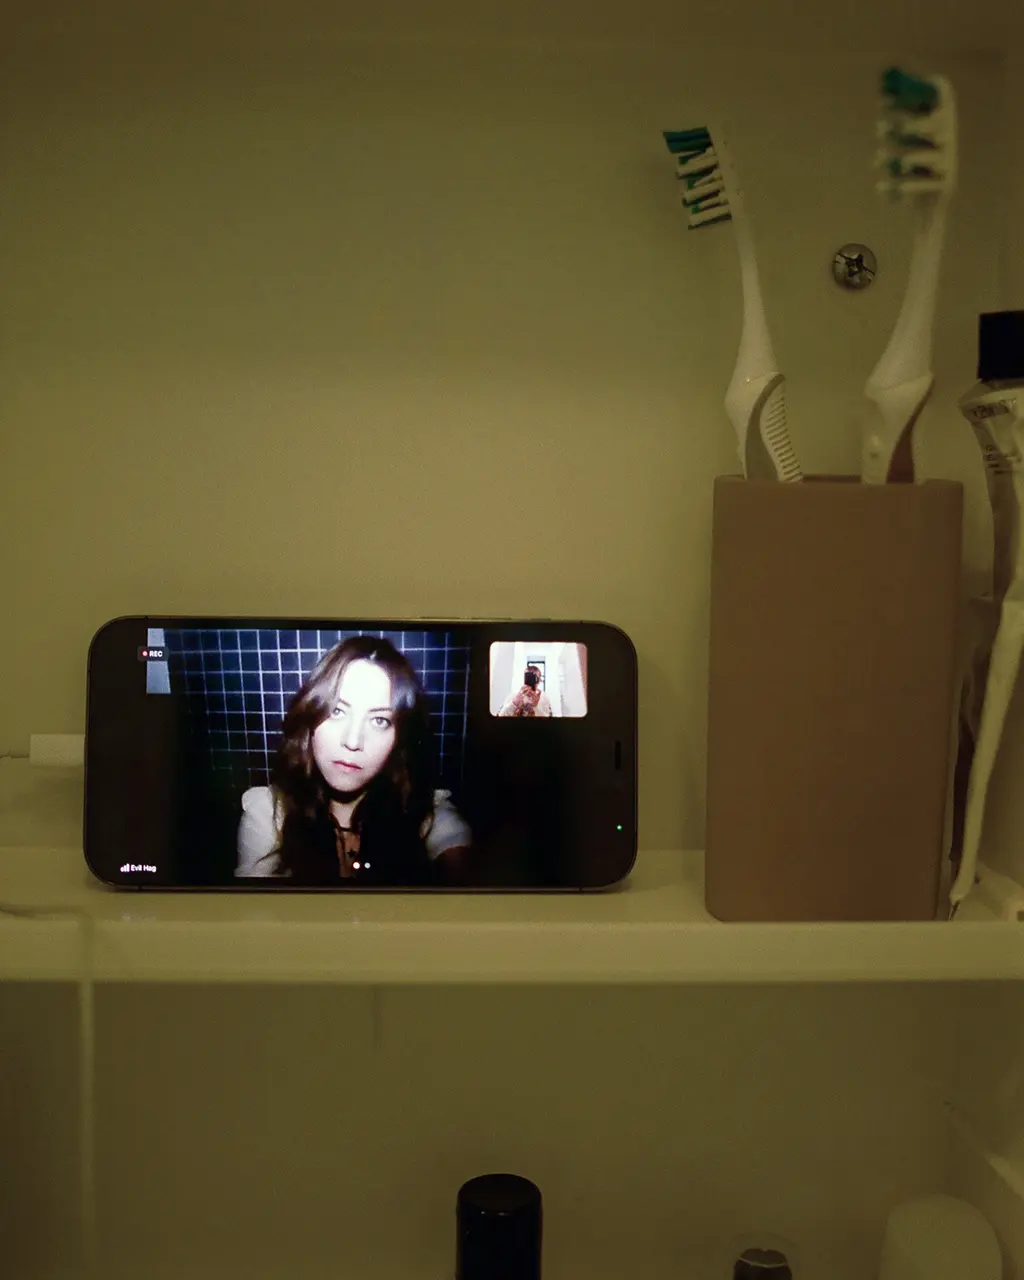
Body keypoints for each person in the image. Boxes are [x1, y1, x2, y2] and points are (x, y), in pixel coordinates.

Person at [235, 636, 471, 884]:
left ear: (399, 739)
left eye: (379, 720)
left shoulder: (424, 812)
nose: (353, 741)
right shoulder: (269, 816)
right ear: (311, 718)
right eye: (337, 711)